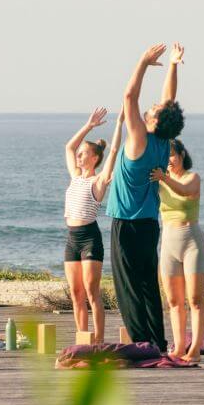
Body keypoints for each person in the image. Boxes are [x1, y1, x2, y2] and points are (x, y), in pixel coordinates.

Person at [106, 42, 185, 351]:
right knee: (148, 284)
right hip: (150, 223)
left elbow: (129, 97)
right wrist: (174, 65)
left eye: (152, 111)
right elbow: (169, 101)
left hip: (127, 224)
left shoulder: (139, 138)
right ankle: (158, 341)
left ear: (152, 121)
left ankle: (143, 343)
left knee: (128, 287)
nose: (150, 107)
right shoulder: (165, 141)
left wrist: (141, 62)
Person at [63, 107, 124, 344]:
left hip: (89, 238)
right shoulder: (75, 176)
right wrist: (88, 125)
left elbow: (115, 150)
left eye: (83, 154)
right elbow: (69, 147)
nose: (78, 156)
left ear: (95, 158)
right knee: (76, 295)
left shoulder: (98, 182)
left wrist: (119, 125)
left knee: (91, 292)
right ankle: (83, 339)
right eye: (79, 154)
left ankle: (98, 341)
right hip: (72, 238)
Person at [150, 139, 204, 362]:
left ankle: (195, 350)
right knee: (174, 301)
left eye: (172, 155)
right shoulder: (159, 180)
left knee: (195, 299)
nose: (169, 161)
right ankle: (179, 346)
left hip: (191, 240)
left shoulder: (192, 177)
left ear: (182, 154)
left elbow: (185, 192)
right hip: (168, 242)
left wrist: (163, 177)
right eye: (166, 157)